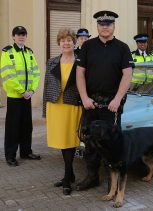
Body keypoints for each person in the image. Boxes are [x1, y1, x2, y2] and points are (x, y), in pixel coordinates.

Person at [76, 10, 133, 191]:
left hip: (112, 105)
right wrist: (84, 97)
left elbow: (127, 75)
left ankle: (113, 182)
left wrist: (117, 99)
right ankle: (92, 177)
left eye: (108, 24)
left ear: (114, 26)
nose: (105, 27)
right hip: (91, 103)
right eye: (102, 24)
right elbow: (80, 73)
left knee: (113, 144)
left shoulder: (123, 48)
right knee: (90, 142)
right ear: (98, 26)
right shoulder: (88, 46)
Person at [43, 28, 82, 195]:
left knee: (70, 141)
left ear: (74, 42)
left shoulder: (81, 61)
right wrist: (45, 111)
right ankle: (70, 174)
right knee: (61, 141)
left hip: (72, 106)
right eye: (63, 40)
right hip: (55, 107)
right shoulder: (51, 62)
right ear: (59, 43)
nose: (66, 43)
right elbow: (47, 87)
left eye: (69, 40)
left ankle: (67, 177)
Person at [0, 26, 41, 167]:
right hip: (15, 96)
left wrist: (32, 90)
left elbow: (36, 73)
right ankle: (10, 156)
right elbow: (8, 75)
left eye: (23, 34)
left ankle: (26, 152)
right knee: (13, 127)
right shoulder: (7, 52)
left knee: (26, 126)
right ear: (13, 37)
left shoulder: (29, 53)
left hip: (27, 96)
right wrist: (21, 91)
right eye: (18, 34)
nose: (21, 36)